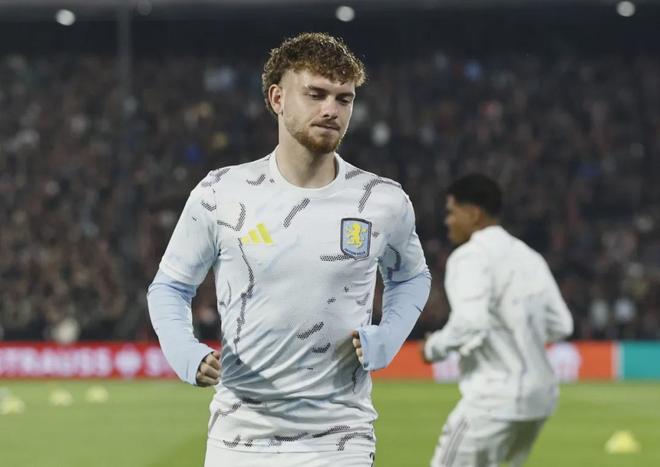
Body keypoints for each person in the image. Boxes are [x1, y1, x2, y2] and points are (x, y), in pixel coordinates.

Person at [147, 32, 431, 467]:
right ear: (277, 98)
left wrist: (387, 337)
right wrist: (186, 353)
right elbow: (169, 286)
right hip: (238, 441)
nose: (332, 109)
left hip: (340, 441)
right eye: (316, 94)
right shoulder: (221, 193)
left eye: (344, 99)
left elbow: (411, 277)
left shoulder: (381, 201)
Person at [422, 174, 573, 467]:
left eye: (452, 212)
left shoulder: (469, 257)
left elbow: (470, 323)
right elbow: (561, 324)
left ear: (473, 213)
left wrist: (431, 348)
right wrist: (517, 332)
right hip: (539, 401)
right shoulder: (529, 256)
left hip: (492, 399)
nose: (447, 221)